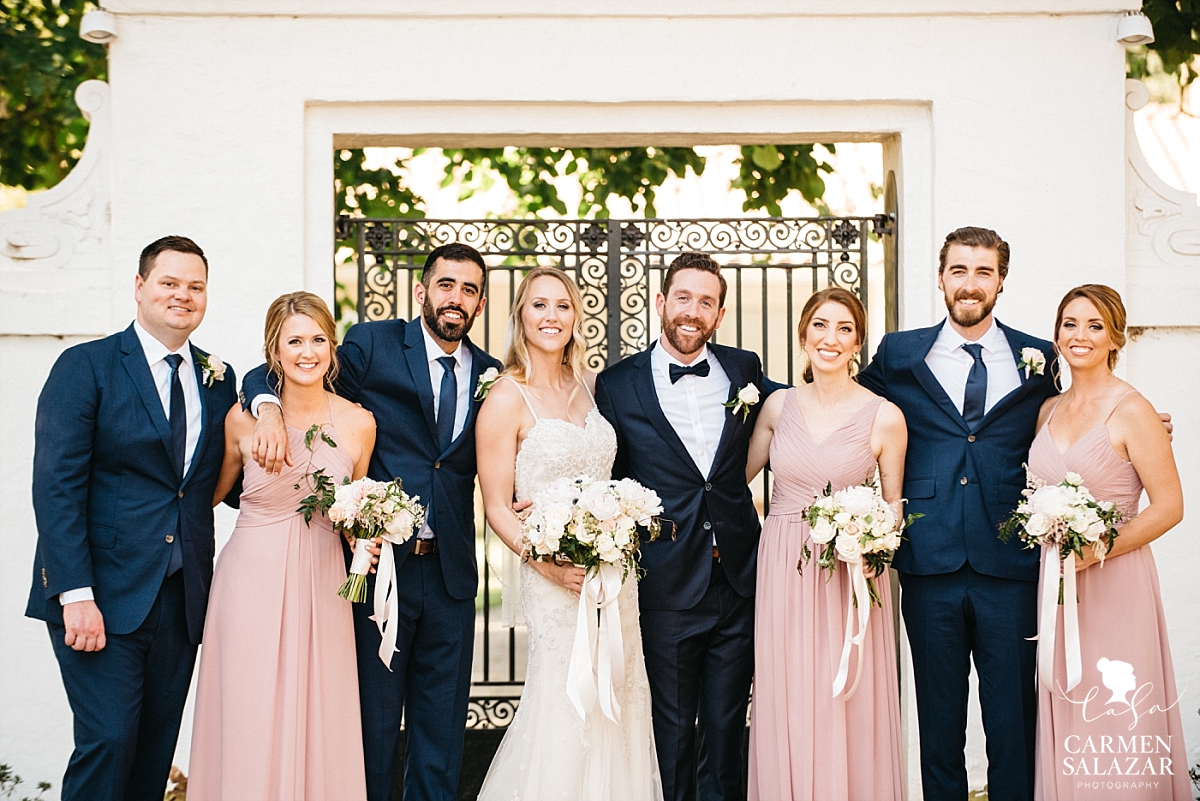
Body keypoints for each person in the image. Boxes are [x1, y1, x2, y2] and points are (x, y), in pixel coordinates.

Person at [242, 243, 503, 801]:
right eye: (446, 285)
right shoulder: (373, 344)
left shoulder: (490, 374)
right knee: (374, 726)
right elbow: (284, 370)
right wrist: (264, 405)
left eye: (469, 289)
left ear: (480, 303)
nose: (456, 298)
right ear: (422, 292)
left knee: (441, 732)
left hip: (453, 576)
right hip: (380, 569)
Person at [26, 236, 238, 801]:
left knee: (151, 754)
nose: (183, 296)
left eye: (195, 286)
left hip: (181, 598)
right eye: (169, 282)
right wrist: (75, 593)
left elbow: (232, 478)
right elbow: (56, 487)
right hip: (101, 596)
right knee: (109, 743)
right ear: (140, 287)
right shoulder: (86, 367)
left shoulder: (218, 380)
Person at [857, 227, 1058, 800]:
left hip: (1011, 561)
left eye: (983, 272)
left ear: (1000, 281)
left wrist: (1136, 416)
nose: (970, 284)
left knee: (1012, 723)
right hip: (929, 560)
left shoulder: (1038, 356)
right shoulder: (900, 352)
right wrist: (767, 407)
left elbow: (1071, 417)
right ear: (941, 277)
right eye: (959, 271)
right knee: (938, 723)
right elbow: (844, 405)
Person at [595, 251, 781, 801]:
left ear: (720, 314)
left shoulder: (744, 369)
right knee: (671, 733)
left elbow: (794, 420)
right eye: (683, 298)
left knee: (727, 732)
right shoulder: (616, 385)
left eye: (706, 302)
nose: (692, 311)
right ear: (661, 302)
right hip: (666, 582)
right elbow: (608, 476)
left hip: (738, 580)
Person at [474, 266, 663, 799]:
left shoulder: (591, 388)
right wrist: (548, 564)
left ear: (576, 316)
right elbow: (496, 506)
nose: (551, 316)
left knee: (620, 694)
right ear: (521, 317)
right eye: (539, 305)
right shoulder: (506, 398)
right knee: (565, 697)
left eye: (562, 305)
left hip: (613, 576)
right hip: (554, 578)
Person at [188, 292, 376, 800]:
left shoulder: (360, 423)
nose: (307, 352)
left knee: (322, 706)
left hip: (324, 580)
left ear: (333, 348)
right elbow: (207, 497)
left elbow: (352, 508)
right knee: (250, 706)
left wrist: (369, 535)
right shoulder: (241, 420)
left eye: (318, 339)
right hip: (251, 578)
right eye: (294, 340)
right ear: (274, 350)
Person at [745, 287, 907, 801]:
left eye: (843, 329)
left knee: (845, 694)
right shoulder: (775, 406)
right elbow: (730, 483)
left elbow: (895, 510)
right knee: (788, 691)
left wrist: (869, 541)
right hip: (783, 565)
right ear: (802, 334)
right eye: (819, 325)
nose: (829, 338)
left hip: (850, 572)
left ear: (858, 342)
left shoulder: (885, 416)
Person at [1027, 285, 1187, 801]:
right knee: (1070, 706)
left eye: (1095, 325)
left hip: (1116, 585)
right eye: (1070, 324)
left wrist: (1095, 547)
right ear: (1056, 335)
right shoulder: (1047, 410)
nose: (1081, 335)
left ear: (1115, 337)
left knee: (1117, 716)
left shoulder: (1134, 410)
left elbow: (1169, 507)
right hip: (1057, 587)